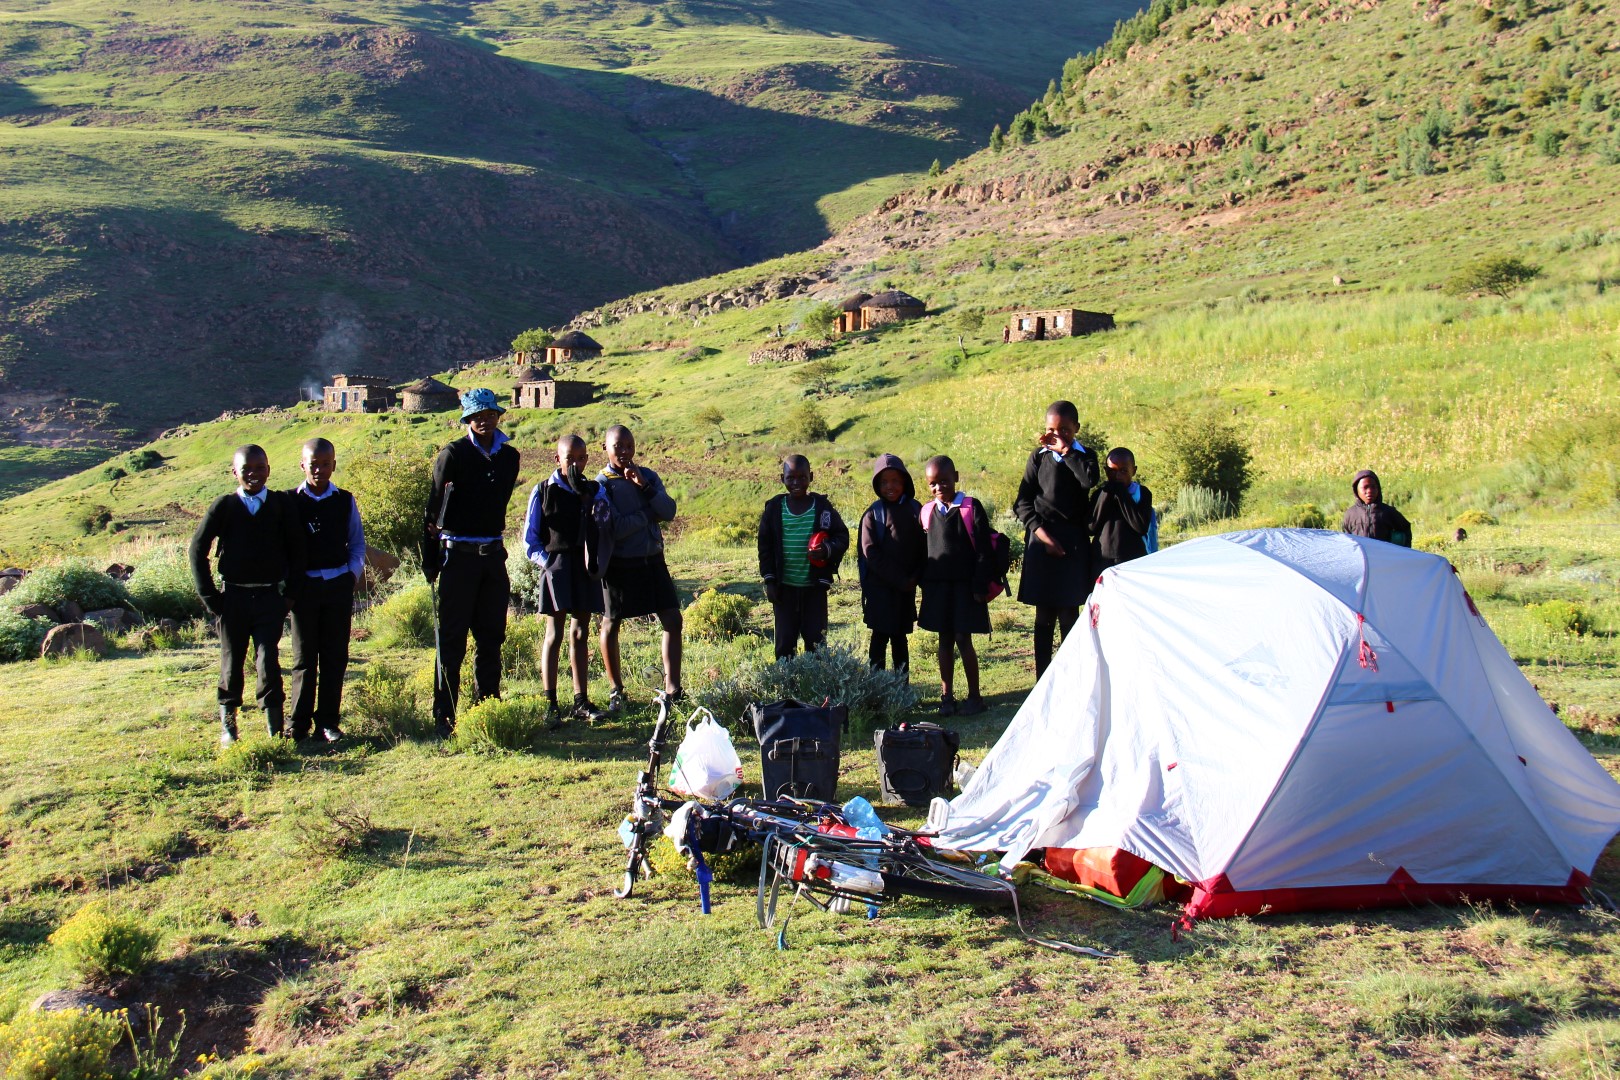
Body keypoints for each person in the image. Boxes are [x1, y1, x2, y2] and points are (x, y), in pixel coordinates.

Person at [189, 444, 306, 745]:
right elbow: (197, 550)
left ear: (269, 469)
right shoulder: (224, 506)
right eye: (246, 470)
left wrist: (289, 597)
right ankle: (229, 728)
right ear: (234, 473)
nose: (253, 475)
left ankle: (275, 731)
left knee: (268, 662)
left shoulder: (281, 504)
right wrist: (212, 598)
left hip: (270, 598)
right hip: (234, 599)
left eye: (259, 468)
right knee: (231, 662)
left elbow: (298, 551)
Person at [421, 388, 521, 737]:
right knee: (452, 641)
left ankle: (485, 710)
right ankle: (444, 716)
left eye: (490, 413)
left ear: (498, 415)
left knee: (491, 637)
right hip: (456, 560)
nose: (484, 420)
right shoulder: (453, 454)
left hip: (492, 557)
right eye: (477, 415)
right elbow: (433, 510)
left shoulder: (510, 458)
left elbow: (499, 503)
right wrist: (430, 562)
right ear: (467, 418)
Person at [522, 434, 607, 729]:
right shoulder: (543, 490)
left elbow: (603, 523)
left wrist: (589, 502)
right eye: (569, 458)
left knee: (581, 632)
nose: (576, 463)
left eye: (581, 458)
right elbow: (530, 539)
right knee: (554, 633)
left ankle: (580, 701)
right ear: (557, 459)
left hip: (584, 567)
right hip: (557, 568)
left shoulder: (593, 490)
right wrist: (549, 564)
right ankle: (550, 702)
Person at [596, 424, 682, 711]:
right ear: (605, 448)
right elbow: (616, 528)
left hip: (652, 559)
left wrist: (643, 486)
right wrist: (648, 513)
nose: (624, 451)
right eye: (618, 446)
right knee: (611, 622)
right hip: (620, 564)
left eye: (629, 445)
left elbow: (668, 512)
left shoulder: (648, 476)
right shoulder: (601, 485)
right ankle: (616, 690)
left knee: (672, 619)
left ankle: (673, 688)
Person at [1013, 400, 1100, 680]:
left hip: (1072, 542)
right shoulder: (1038, 457)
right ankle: (1042, 678)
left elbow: (1088, 481)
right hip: (1041, 540)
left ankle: (1070, 676)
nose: (1057, 434)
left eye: (1064, 430)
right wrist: (1041, 534)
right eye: (1051, 429)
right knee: (1044, 615)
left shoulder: (1086, 456)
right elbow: (1022, 503)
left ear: (1077, 428)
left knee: (1069, 613)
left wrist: (1066, 451)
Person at [287, 437, 365, 744]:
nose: (319, 469)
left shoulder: (345, 500)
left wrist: (351, 575)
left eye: (325, 463)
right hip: (304, 588)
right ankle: (298, 724)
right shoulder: (290, 501)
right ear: (302, 465)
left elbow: (356, 542)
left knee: (335, 656)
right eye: (313, 464)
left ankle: (329, 722)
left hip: (337, 586)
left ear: (334, 465)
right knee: (304, 658)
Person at [918, 455, 991, 717]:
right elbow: (922, 551)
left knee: (963, 638)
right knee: (944, 640)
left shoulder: (971, 508)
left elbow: (983, 550)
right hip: (938, 588)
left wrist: (979, 585)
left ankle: (975, 696)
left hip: (966, 587)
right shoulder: (926, 512)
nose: (939, 488)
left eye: (945, 481)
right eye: (933, 484)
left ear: (956, 477)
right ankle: (946, 696)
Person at [758, 454, 849, 658]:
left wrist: (827, 549)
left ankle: (814, 688)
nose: (797, 482)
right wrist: (769, 580)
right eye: (791, 478)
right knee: (784, 644)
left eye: (802, 477)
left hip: (814, 589)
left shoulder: (823, 508)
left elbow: (842, 536)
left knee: (816, 644)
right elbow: (765, 547)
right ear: (782, 479)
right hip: (783, 590)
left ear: (811, 477)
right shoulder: (774, 509)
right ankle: (786, 687)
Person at [859, 453, 925, 671]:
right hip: (880, 590)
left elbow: (924, 546)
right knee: (879, 638)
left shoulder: (917, 509)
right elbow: (871, 553)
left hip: (906, 589)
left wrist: (914, 577)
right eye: (884, 482)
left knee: (900, 639)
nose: (890, 486)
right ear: (877, 484)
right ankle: (877, 690)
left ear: (905, 481)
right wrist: (900, 579)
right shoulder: (872, 515)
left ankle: (901, 690)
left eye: (896, 480)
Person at [1091, 447, 1154, 572]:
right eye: (1112, 471)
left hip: (1132, 560)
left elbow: (1141, 527)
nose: (1117, 476)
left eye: (1123, 471)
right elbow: (1091, 527)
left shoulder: (1141, 493)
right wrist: (1107, 494)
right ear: (1105, 471)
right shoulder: (1100, 494)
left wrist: (1121, 493)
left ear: (1134, 471)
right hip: (1102, 559)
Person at [1341, 469, 1412, 547]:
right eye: (1365, 487)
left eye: (1373, 487)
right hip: (1360, 557)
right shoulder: (1350, 514)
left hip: (1383, 556)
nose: (1370, 491)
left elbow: (1405, 529)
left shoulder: (1388, 511)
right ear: (1356, 490)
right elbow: (1346, 539)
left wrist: (1403, 551)